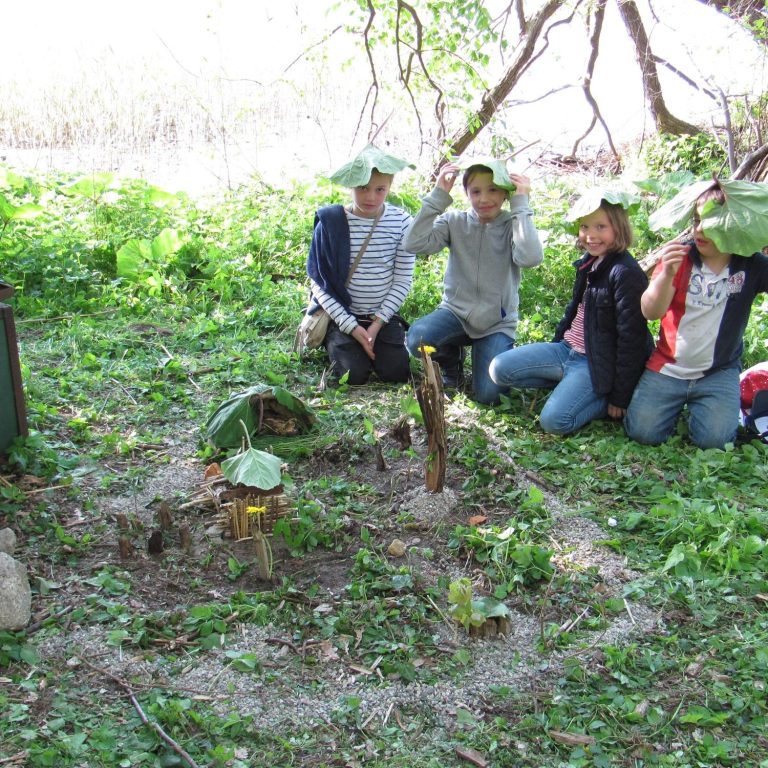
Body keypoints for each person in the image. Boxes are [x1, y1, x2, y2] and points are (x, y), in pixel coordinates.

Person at [489, 197, 652, 434]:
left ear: (619, 227)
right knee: (499, 368)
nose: (590, 235)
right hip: (567, 350)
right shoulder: (590, 261)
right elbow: (573, 311)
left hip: (596, 363)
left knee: (555, 421)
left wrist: (620, 396)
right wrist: (556, 345)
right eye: (585, 227)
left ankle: (600, 398)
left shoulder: (626, 273)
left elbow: (632, 340)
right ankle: (569, 385)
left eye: (601, 227)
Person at [624, 180, 768, 449]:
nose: (699, 230)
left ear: (731, 223)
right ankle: (680, 405)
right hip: (668, 366)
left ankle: (708, 407)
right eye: (696, 220)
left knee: (714, 442)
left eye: (710, 222)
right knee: (642, 433)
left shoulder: (751, 264)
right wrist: (666, 273)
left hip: (719, 370)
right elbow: (650, 311)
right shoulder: (680, 257)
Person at [404, 160, 543, 405]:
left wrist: (521, 204)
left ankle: (490, 354)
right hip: (455, 313)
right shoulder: (454, 221)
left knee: (490, 397)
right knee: (418, 340)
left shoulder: (513, 224)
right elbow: (413, 243)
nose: (484, 199)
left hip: (495, 323)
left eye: (493, 190)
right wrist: (438, 196)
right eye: (476, 191)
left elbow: (530, 258)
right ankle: (451, 363)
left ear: (505, 194)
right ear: (466, 193)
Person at [305, 145, 415, 385]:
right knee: (352, 375)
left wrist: (376, 326)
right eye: (363, 188)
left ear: (389, 187)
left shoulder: (403, 222)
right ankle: (336, 340)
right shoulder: (330, 222)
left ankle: (377, 340)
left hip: (382, 317)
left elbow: (403, 279)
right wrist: (352, 327)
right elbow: (319, 283)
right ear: (351, 185)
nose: (370, 197)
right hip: (343, 315)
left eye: (380, 189)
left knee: (396, 373)